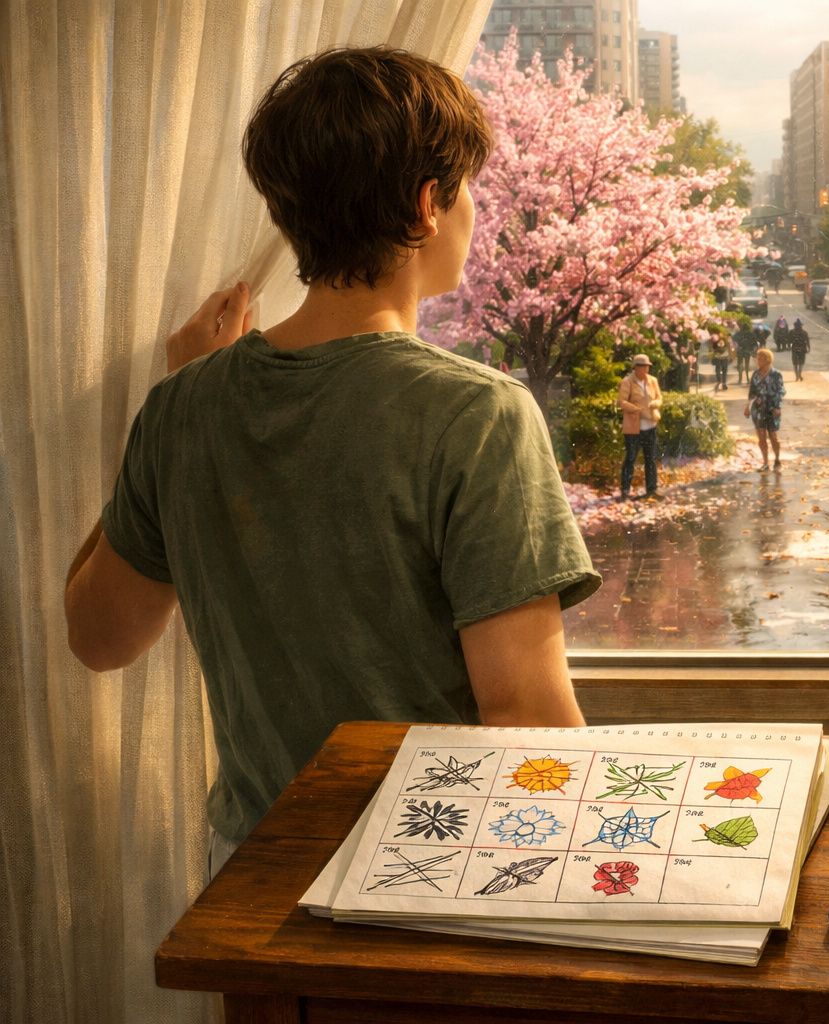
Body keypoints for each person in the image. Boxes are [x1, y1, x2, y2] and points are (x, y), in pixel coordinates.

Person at [62, 46, 600, 877]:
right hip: (426, 874)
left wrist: (177, 409)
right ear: (428, 205)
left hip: (249, 871)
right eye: (468, 189)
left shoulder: (184, 407)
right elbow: (525, 715)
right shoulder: (477, 415)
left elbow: (99, 637)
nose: (476, 209)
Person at [618, 353, 664, 499]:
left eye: (647, 367)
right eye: (643, 367)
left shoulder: (652, 380)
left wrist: (656, 404)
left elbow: (659, 397)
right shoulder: (627, 382)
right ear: (636, 368)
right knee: (631, 458)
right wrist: (638, 410)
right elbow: (622, 402)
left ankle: (652, 489)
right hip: (634, 427)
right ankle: (625, 490)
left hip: (650, 425)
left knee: (650, 458)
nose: (646, 369)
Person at [746, 347, 786, 470]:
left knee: (773, 437)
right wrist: (748, 407)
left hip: (772, 409)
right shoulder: (755, 375)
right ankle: (765, 463)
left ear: (767, 360)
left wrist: (777, 407)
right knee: (761, 437)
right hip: (758, 409)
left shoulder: (776, 374)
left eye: (760, 359)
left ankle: (777, 459)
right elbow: (751, 393)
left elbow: (781, 391)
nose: (757, 361)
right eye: (757, 358)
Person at [732, 320, 757, 385]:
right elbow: (755, 343)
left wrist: (737, 347)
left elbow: (733, 339)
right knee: (747, 365)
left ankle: (740, 379)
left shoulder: (738, 334)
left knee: (740, 365)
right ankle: (747, 378)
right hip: (747, 351)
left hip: (740, 351)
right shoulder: (751, 334)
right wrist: (753, 350)